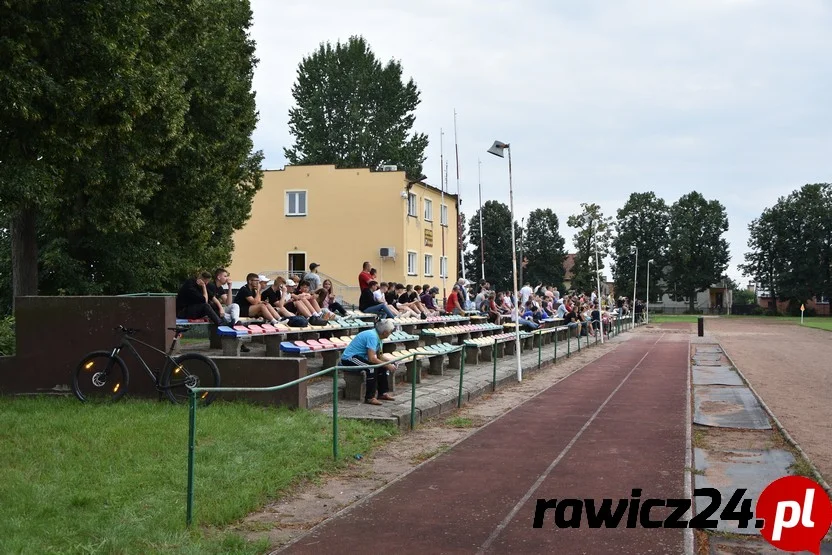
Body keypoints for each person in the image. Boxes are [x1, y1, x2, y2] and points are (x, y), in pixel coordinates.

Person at [339, 319, 397, 405]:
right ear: (385, 332)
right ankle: (370, 397)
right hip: (349, 358)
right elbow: (372, 359)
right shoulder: (372, 336)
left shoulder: (379, 337)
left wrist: (390, 362)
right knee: (371, 368)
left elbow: (380, 355)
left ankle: (382, 393)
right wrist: (388, 365)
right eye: (390, 332)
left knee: (382, 367)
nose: (391, 333)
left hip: (360, 358)